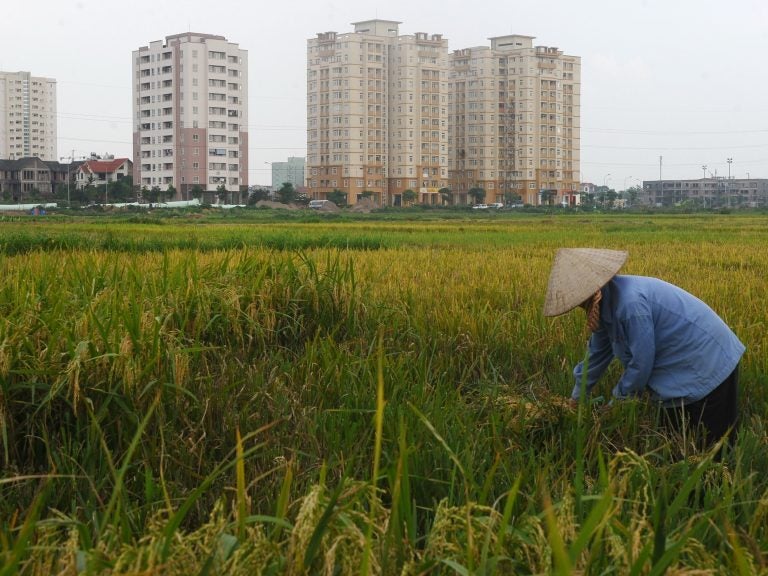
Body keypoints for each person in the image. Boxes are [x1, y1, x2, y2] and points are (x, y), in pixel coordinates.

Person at [543, 248, 745, 448]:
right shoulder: (606, 306)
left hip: (708, 359)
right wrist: (577, 397)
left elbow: (641, 362)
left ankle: (718, 478)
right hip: (679, 368)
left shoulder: (630, 305)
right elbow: (596, 355)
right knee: (673, 442)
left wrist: (618, 402)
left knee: (714, 446)